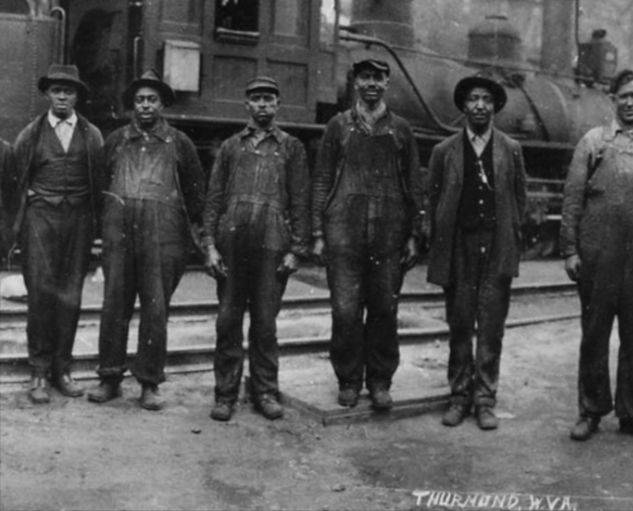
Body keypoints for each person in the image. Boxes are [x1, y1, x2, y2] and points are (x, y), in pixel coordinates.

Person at [561, 69, 633, 444]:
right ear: (613, 100)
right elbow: (573, 198)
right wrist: (570, 249)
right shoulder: (593, 143)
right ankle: (591, 410)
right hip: (598, 255)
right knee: (594, 334)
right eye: (623, 96)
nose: (630, 102)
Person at [88, 71, 204, 411]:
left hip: (162, 238)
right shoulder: (115, 140)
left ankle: (149, 382)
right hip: (119, 236)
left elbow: (197, 194)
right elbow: (98, 188)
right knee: (114, 307)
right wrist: (104, 230)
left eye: (152, 99)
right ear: (132, 105)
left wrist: (195, 237)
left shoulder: (179, 142)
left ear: (162, 103)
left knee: (155, 311)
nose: (146, 106)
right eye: (140, 100)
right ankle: (109, 378)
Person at [311, 59, 422, 411]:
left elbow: (414, 186)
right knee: (344, 310)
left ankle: (379, 382)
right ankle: (348, 381)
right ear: (355, 82)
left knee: (384, 310)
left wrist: (414, 234)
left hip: (389, 233)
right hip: (344, 230)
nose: (371, 83)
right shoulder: (338, 126)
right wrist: (318, 232)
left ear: (387, 83)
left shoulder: (401, 129)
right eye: (365, 77)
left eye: (378, 78)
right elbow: (322, 179)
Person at [203, 76, 310, 421]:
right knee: (227, 322)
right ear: (246, 104)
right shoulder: (231, 147)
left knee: (265, 324)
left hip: (272, 246)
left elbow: (301, 201)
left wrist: (297, 249)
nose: (263, 105)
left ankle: (265, 391)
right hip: (232, 244)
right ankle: (225, 395)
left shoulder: (291, 147)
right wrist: (209, 245)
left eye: (269, 99)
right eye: (256, 99)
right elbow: (214, 198)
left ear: (278, 105)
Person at [427, 73, 527, 430]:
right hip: (458, 248)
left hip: (496, 247)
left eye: (486, 99)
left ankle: (485, 400)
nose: (480, 105)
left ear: (495, 107)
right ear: (464, 107)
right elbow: (434, 198)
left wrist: (512, 242)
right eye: (473, 99)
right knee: (459, 323)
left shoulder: (511, 150)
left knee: (491, 327)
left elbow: (520, 200)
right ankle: (458, 397)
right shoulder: (444, 151)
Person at [12, 64, 105, 404]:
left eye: (69, 90)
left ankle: (62, 370)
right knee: (39, 294)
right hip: (41, 220)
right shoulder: (31, 134)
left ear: (77, 95)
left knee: (70, 295)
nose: (62, 96)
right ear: (48, 94)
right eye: (56, 90)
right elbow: (15, 181)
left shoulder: (91, 134)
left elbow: (101, 185)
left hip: (78, 221)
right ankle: (38, 371)